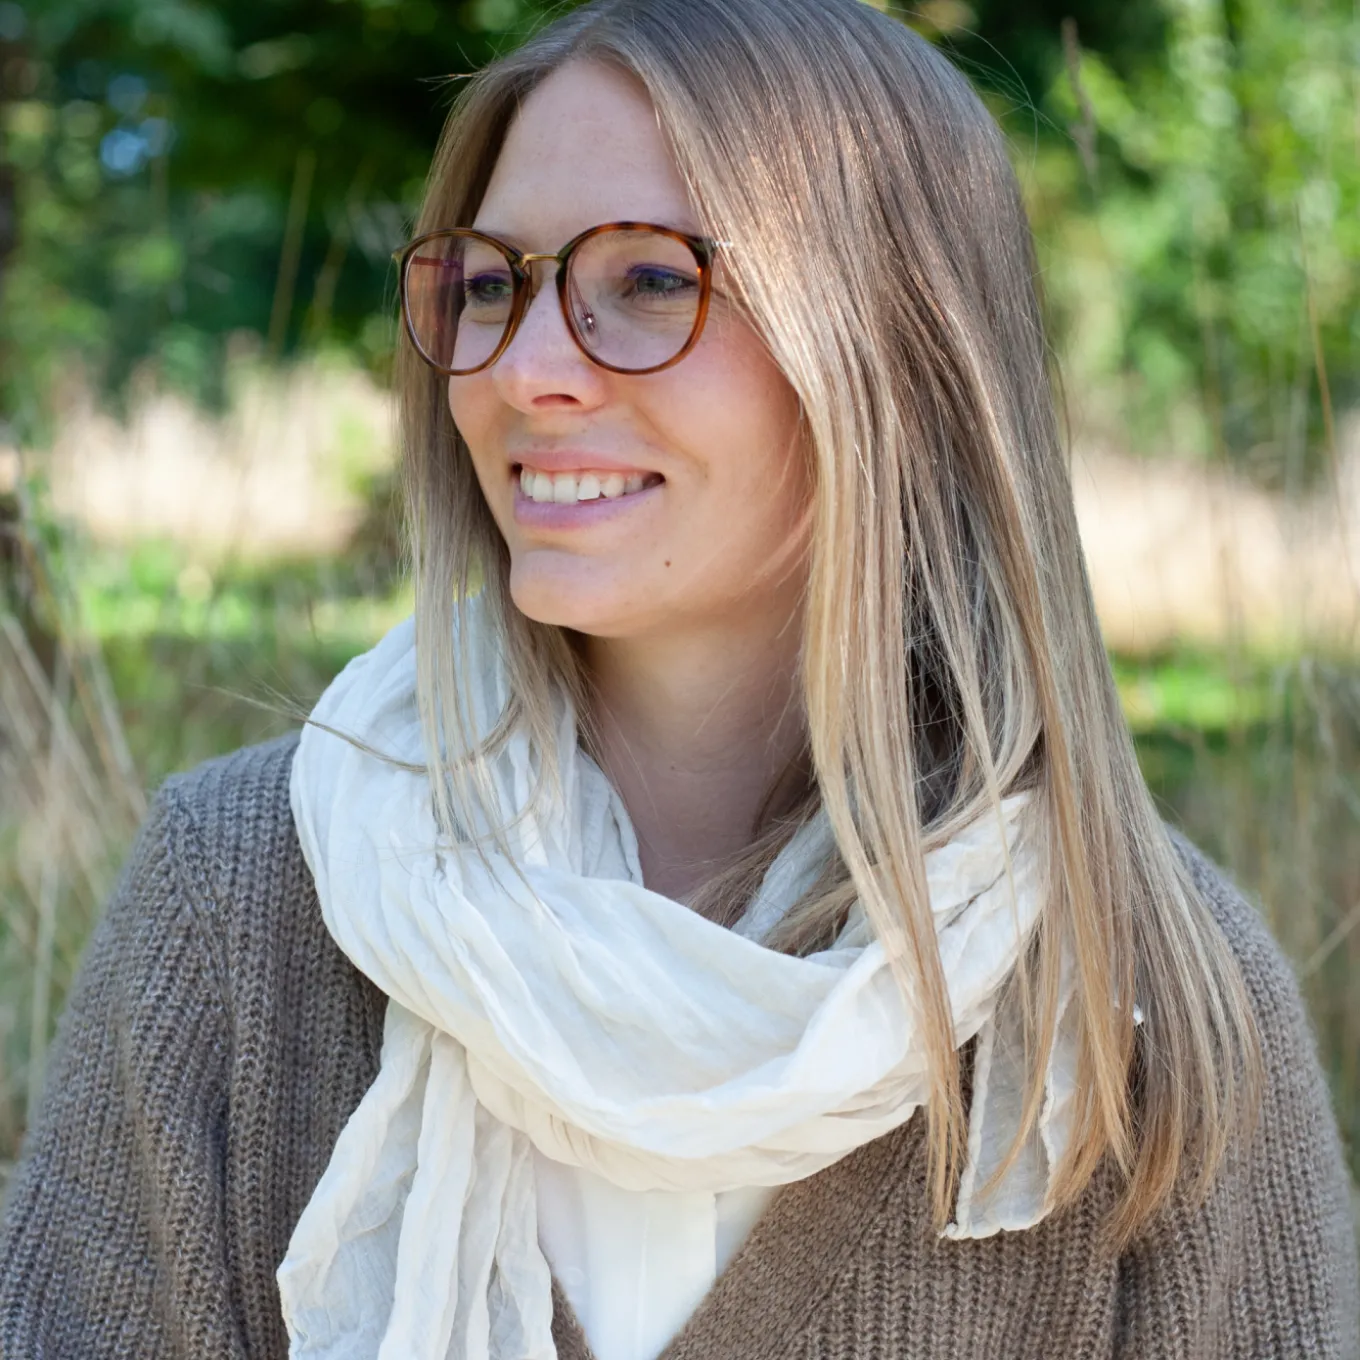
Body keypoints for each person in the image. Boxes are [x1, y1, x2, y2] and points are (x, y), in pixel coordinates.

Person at [2, 0, 1356, 1356]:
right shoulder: (240, 903)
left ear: (897, 350)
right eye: (493, 286)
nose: (525, 372)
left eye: (650, 281)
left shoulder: (1142, 1000)